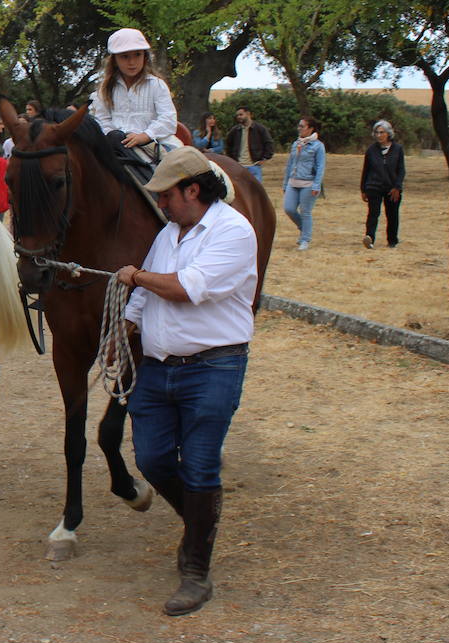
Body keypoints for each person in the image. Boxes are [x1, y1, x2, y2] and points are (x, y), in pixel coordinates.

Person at [114, 146, 257, 616]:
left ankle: (196, 570)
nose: (161, 204)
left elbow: (185, 288)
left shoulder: (234, 232)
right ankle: (201, 521)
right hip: (158, 368)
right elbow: (143, 298)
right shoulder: (170, 233)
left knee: (199, 466)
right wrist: (126, 327)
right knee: (152, 458)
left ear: (192, 190)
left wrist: (136, 276)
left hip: (214, 368)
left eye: (167, 195)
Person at [90, 28, 180, 153]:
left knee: (183, 164)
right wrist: (113, 135)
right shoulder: (105, 89)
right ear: (115, 60)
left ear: (145, 57)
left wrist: (145, 135)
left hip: (155, 142)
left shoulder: (157, 85)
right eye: (124, 56)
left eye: (137, 55)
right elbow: (102, 119)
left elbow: (168, 119)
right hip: (115, 144)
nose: (132, 62)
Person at [360, 119, 405, 250]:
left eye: (382, 132)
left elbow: (401, 170)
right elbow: (366, 170)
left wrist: (397, 186)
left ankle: (392, 240)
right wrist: (363, 189)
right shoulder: (371, 150)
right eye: (377, 133)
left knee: (392, 214)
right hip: (374, 186)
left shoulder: (398, 149)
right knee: (373, 213)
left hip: (392, 187)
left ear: (388, 133)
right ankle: (370, 238)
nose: (379, 135)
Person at [282, 115, 325, 251]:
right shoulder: (296, 144)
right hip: (293, 181)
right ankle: (303, 228)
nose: (299, 129)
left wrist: (316, 185)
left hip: (308, 183)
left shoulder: (318, 146)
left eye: (302, 126)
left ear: (310, 128)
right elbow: (290, 164)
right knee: (289, 208)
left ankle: (305, 239)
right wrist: (285, 183)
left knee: (305, 211)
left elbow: (320, 166)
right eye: (299, 126)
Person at [226, 106, 273, 182]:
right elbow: (228, 145)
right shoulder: (235, 130)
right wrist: (233, 161)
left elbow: (269, 143)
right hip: (239, 166)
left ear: (248, 114)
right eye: (237, 115)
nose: (238, 117)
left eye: (241, 114)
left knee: (255, 191)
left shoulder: (260, 128)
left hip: (254, 166)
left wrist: (264, 158)